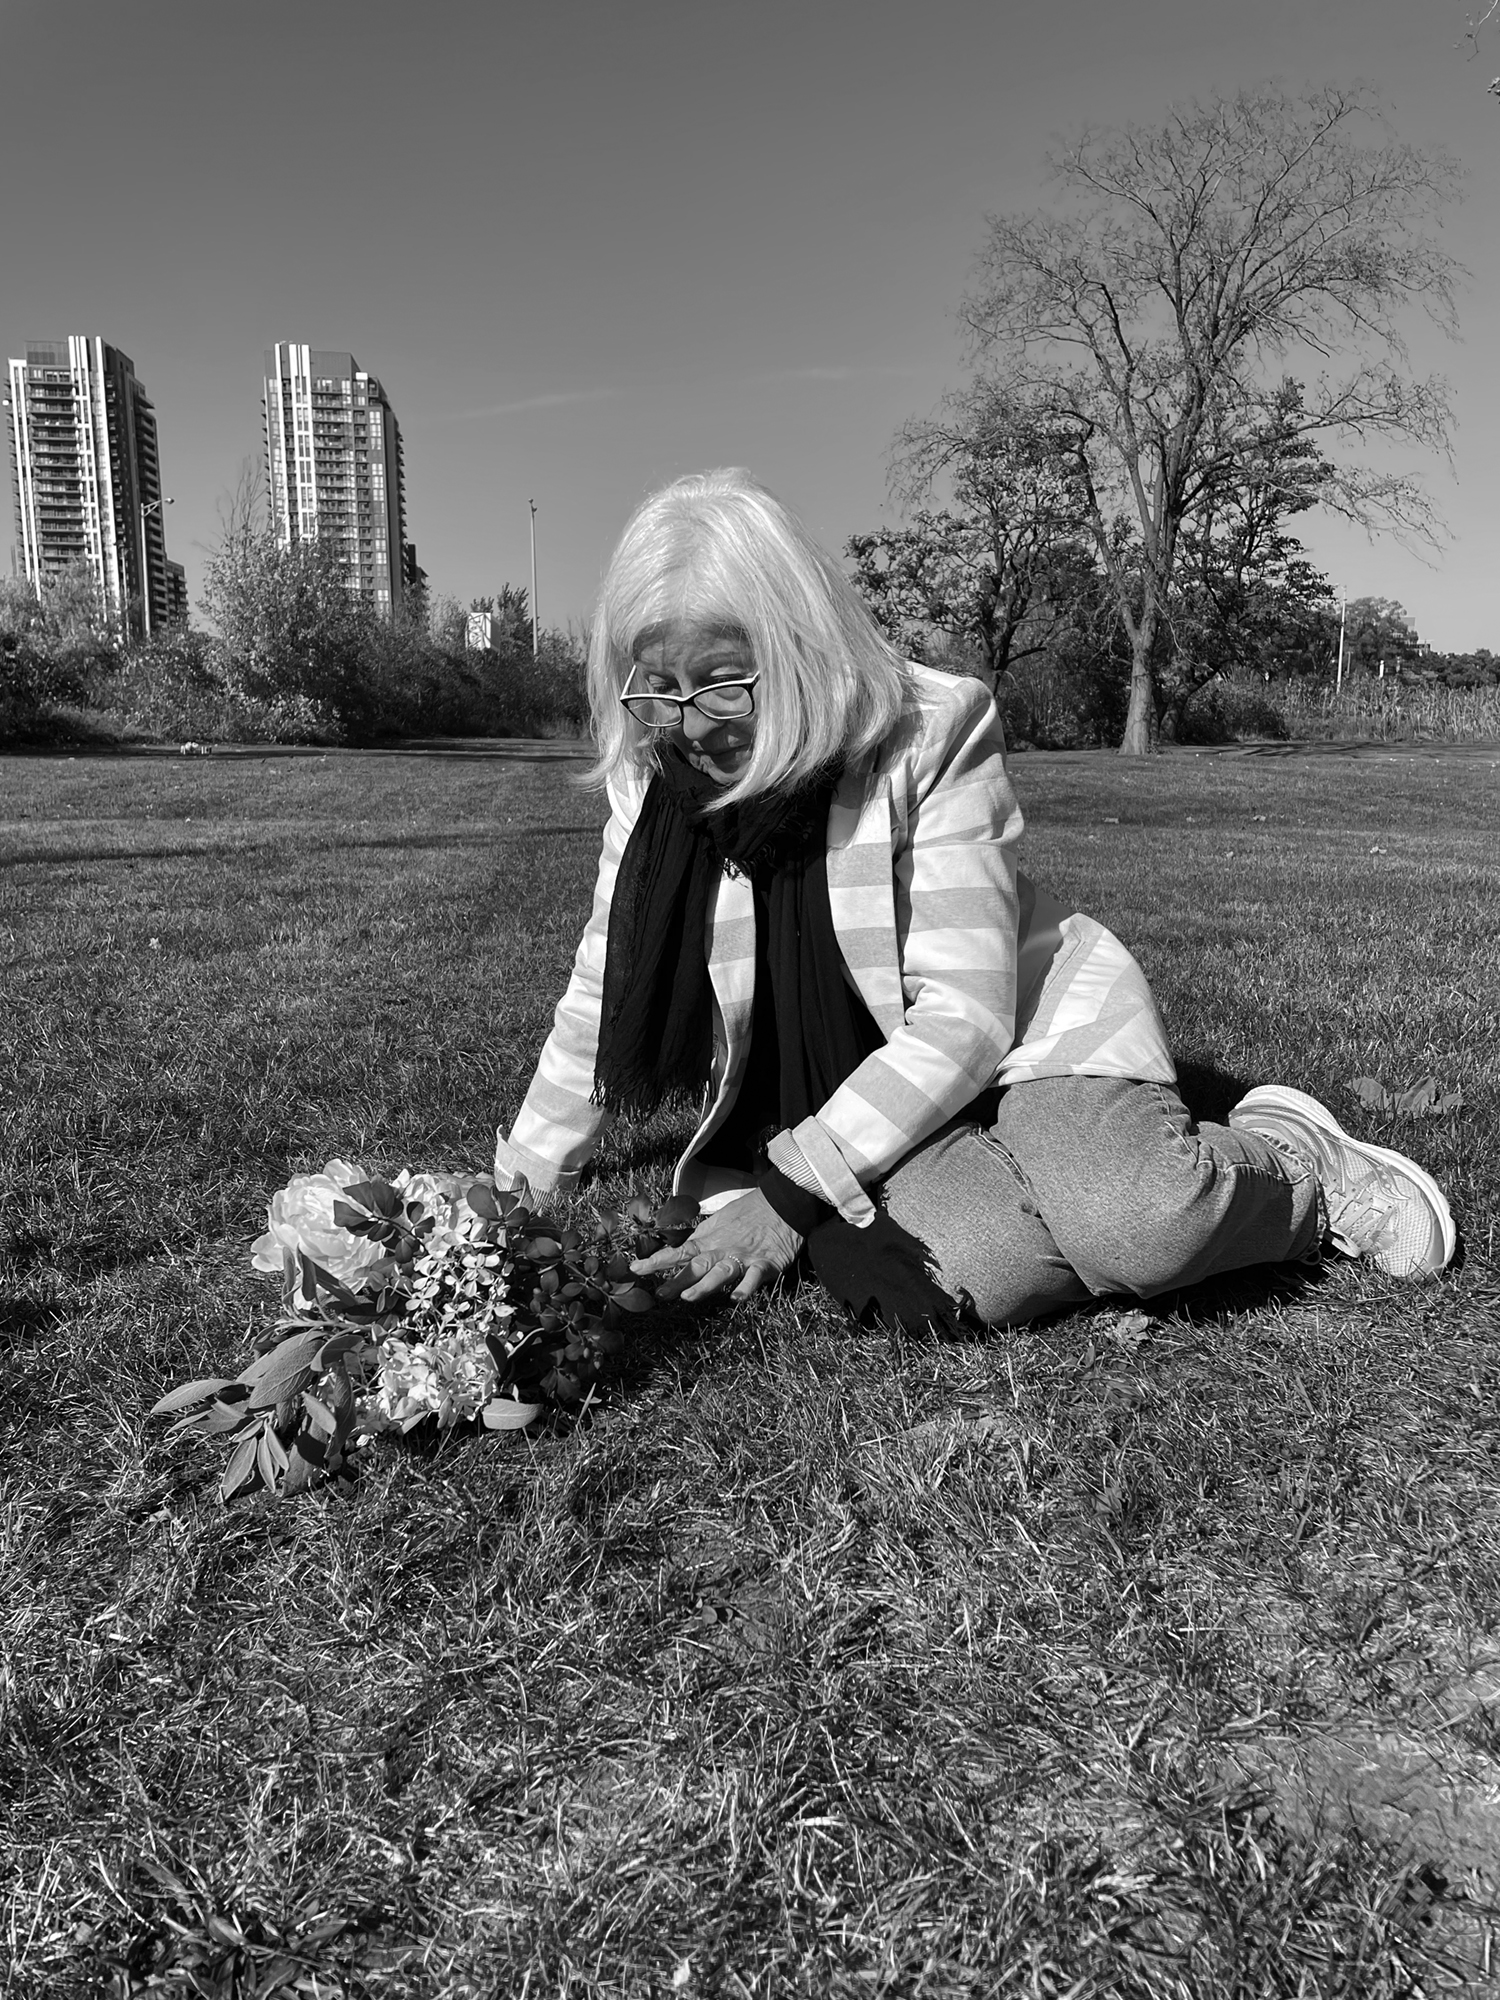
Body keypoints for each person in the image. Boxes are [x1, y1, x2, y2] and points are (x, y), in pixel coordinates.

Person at [494, 469, 1455, 1329]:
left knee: (1137, 1224)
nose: (689, 725)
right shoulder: (654, 776)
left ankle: (1299, 1166)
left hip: (1020, 1028)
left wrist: (792, 1192)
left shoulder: (929, 729)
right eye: (657, 688)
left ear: (796, 648)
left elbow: (968, 1012)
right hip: (877, 1092)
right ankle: (1071, 1176)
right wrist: (519, 1186)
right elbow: (603, 984)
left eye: (723, 683)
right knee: (970, 1276)